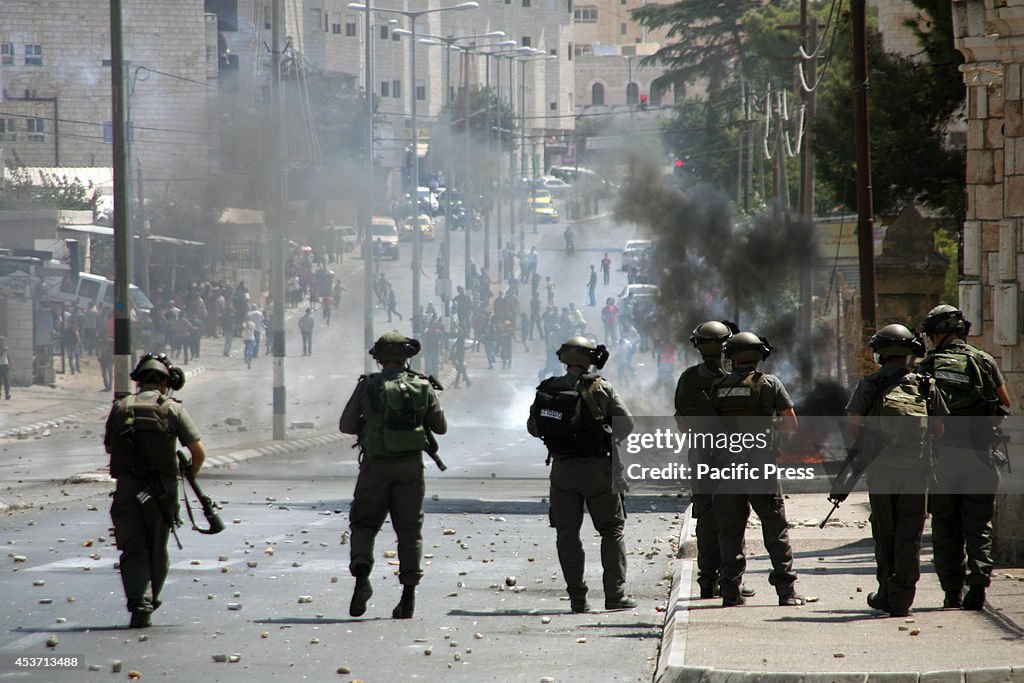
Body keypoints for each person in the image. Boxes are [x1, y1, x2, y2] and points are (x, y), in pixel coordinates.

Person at [340, 332, 447, 619]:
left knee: (363, 524)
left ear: (379, 357)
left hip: (376, 466)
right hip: (410, 468)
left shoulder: (368, 386)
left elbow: (347, 425)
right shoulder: (422, 385)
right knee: (410, 531)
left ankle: (362, 579)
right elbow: (440, 427)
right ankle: (408, 597)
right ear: (406, 357)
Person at [528, 336, 636, 613]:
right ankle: (615, 595)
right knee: (612, 530)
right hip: (599, 470)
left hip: (563, 471)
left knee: (567, 534)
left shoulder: (548, 389)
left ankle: (578, 599)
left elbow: (533, 427)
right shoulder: (602, 388)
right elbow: (626, 426)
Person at [846, 324, 946, 617]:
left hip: (881, 471)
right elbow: (939, 430)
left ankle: (886, 592)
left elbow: (853, 429)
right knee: (910, 534)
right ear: (910, 353)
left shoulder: (869, 384)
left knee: (885, 531)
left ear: (881, 354)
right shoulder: (926, 385)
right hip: (916, 470)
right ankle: (903, 597)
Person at [917, 304, 1011, 610]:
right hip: (981, 456)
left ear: (940, 334)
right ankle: (979, 587)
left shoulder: (928, 365)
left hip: (943, 460)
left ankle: (951, 593)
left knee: (945, 526)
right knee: (979, 526)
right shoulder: (983, 360)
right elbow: (1005, 403)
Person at [103, 353, 206, 628]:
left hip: (127, 490)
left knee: (133, 546)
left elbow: (110, 448)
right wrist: (188, 475)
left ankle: (139, 601)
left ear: (139, 381)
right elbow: (198, 452)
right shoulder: (172, 408)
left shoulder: (121, 407)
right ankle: (148, 600)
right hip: (161, 491)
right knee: (157, 546)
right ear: (166, 382)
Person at [710, 332, 804, 607]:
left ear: (732, 357)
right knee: (775, 530)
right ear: (759, 356)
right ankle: (786, 593)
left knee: (730, 532)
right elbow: (791, 424)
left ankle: (730, 592)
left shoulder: (718, 386)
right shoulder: (770, 384)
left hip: (727, 469)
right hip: (760, 468)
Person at [674, 321, 754, 601]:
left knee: (707, 519)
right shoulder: (741, 377)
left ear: (698, 346)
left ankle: (707, 583)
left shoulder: (688, 379)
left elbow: (682, 425)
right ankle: (733, 581)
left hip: (702, 455)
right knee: (734, 518)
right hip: (735, 455)